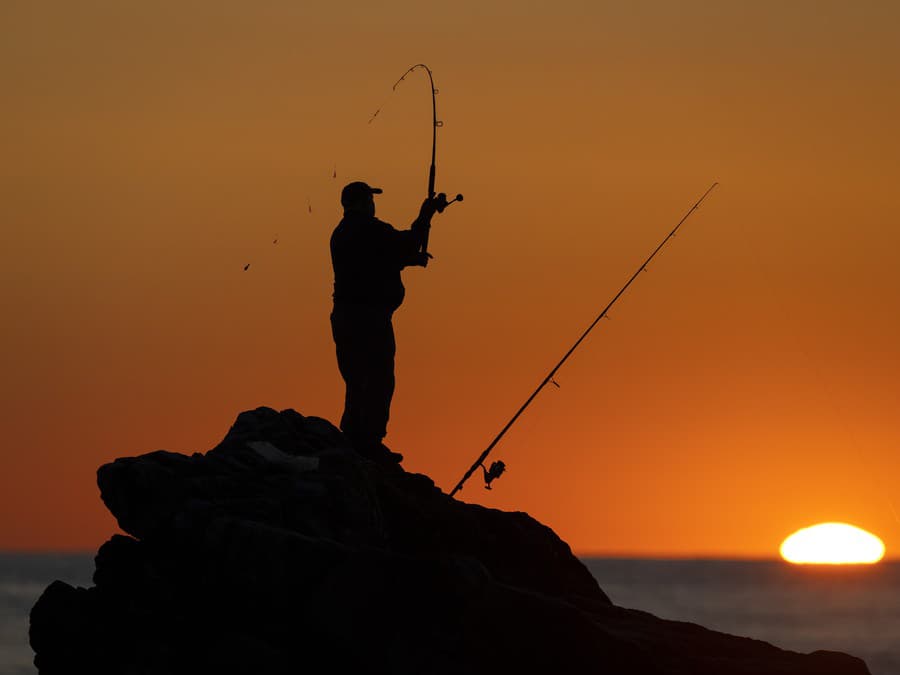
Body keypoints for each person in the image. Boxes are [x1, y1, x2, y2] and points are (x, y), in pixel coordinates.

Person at [330, 181, 438, 464]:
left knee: (356, 379)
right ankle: (369, 443)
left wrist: (409, 261)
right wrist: (425, 214)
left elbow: (374, 261)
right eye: (370, 198)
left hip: (346, 317)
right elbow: (405, 243)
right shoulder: (369, 229)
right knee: (378, 380)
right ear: (364, 202)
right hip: (369, 319)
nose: (373, 204)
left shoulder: (342, 234)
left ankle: (356, 438)